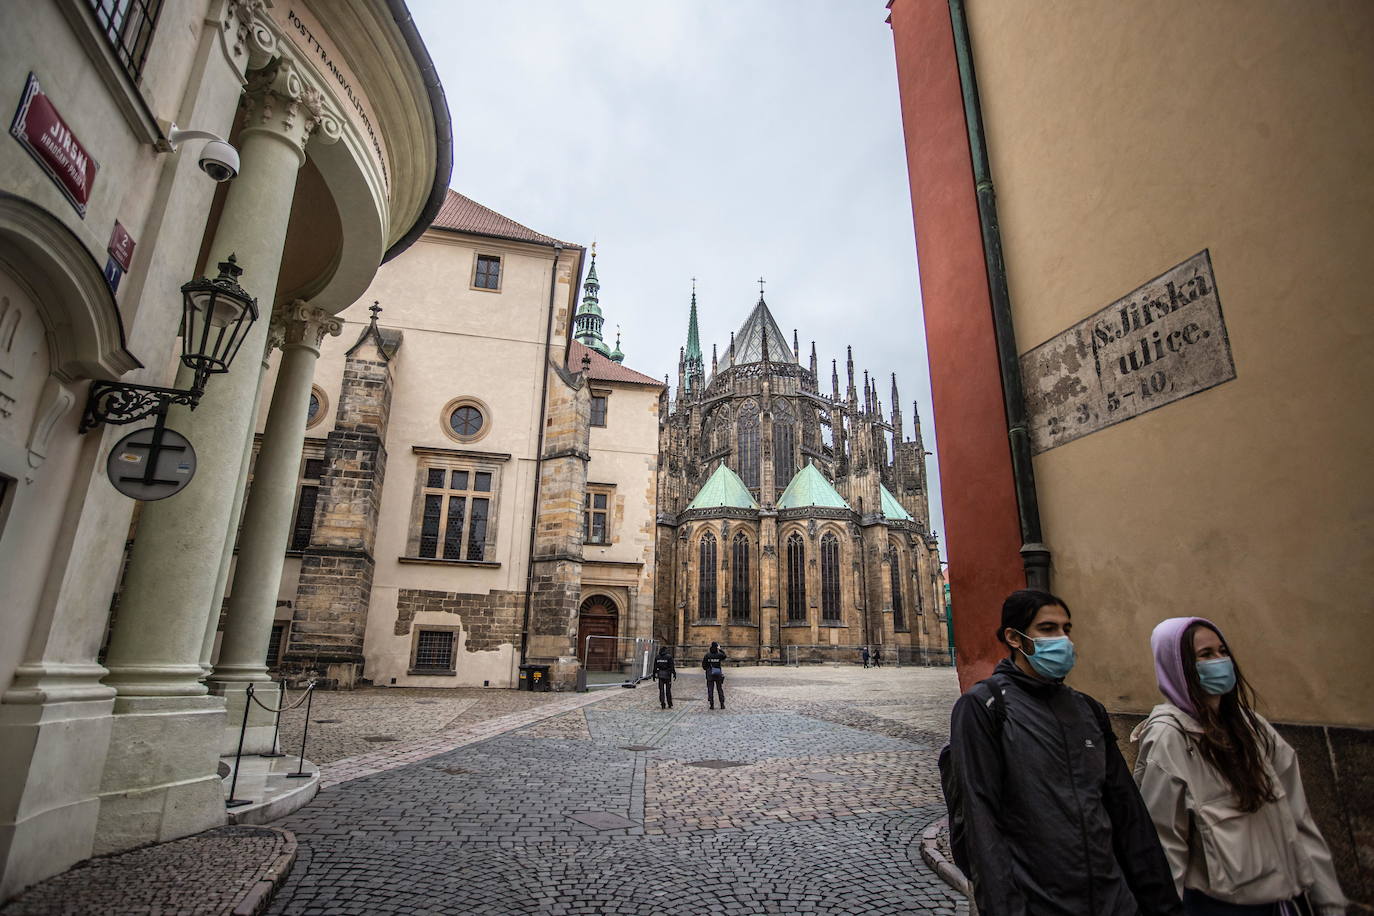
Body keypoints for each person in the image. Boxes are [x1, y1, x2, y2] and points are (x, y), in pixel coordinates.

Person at [947, 589, 1182, 916]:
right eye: (1047, 629)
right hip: (1039, 904)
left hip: (1114, 902)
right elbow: (980, 823)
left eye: (1065, 629)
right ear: (1015, 638)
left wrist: (1162, 904)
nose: (1062, 639)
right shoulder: (983, 707)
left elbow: (1128, 815)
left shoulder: (1088, 709)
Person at [1132, 617, 1346, 915]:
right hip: (1218, 905)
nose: (1220, 661)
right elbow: (1165, 841)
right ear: (1178, 667)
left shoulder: (1252, 727)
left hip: (1282, 898)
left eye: (1222, 651)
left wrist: (1329, 899)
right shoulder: (1169, 737)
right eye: (1205, 655)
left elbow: (1297, 816)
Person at [702, 641, 726, 710]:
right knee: (719, 689)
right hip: (718, 674)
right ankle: (722, 704)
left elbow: (703, 665)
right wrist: (720, 649)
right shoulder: (719, 655)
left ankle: (711, 704)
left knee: (710, 689)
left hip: (710, 675)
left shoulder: (707, 655)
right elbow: (724, 656)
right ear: (716, 647)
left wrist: (708, 670)